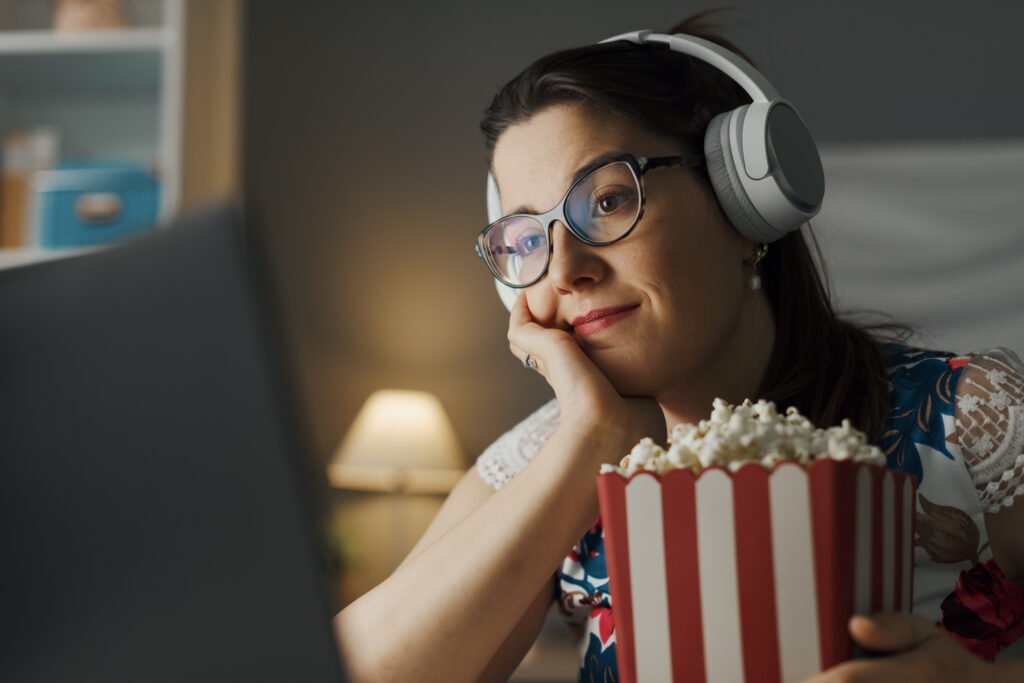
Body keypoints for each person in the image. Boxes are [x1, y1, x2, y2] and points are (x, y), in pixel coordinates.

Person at [333, 10, 1024, 682]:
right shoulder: (544, 461)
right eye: (525, 238)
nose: (566, 267)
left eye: (606, 200)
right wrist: (589, 440)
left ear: (743, 203)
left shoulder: (972, 420)